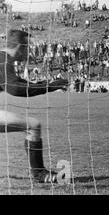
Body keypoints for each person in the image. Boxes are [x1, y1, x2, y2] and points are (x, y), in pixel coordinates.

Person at [0, 30, 69, 183]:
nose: (28, 51)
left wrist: (48, 85)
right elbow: (15, 88)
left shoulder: (3, 59)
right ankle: (39, 174)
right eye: (27, 47)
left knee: (33, 125)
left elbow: (18, 82)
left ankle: (39, 173)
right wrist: (49, 87)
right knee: (33, 125)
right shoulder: (3, 60)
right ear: (20, 47)